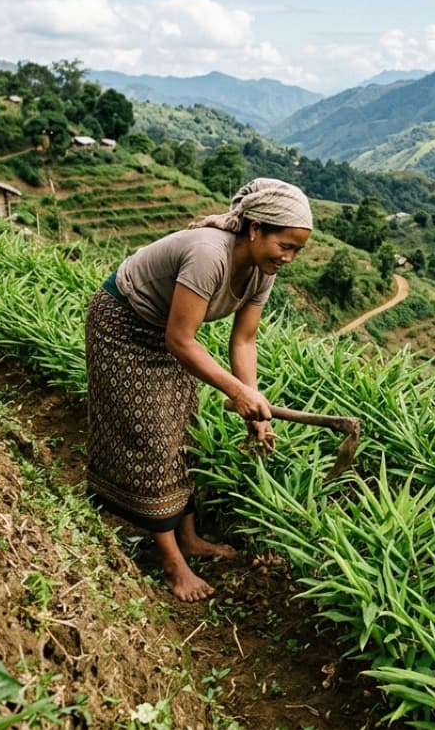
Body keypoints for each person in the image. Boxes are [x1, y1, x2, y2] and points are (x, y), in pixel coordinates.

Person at [85, 177, 312, 602]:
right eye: (286, 245)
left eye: (297, 250)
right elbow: (181, 340)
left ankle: (188, 537)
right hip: (123, 324)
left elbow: (244, 340)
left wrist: (253, 402)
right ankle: (173, 564)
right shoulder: (209, 254)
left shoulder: (263, 270)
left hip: (169, 331)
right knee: (149, 436)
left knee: (182, 429)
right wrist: (238, 392)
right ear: (255, 228)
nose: (290, 257)